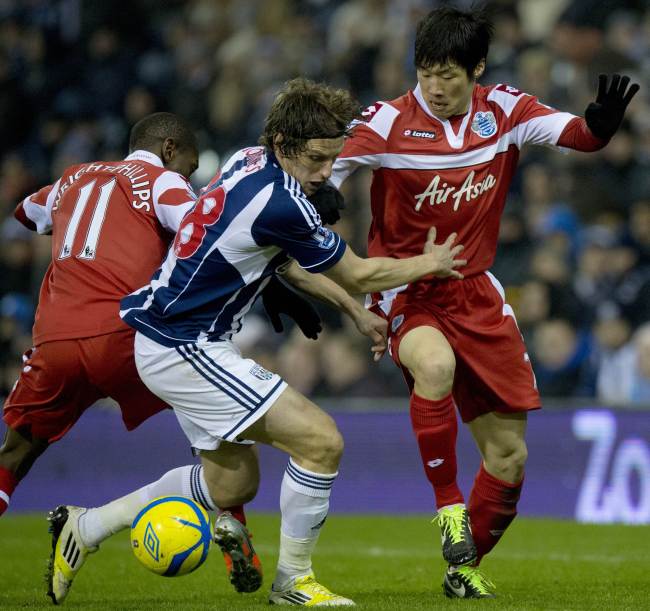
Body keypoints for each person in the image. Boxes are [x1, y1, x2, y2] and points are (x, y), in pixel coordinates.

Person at [115, 77, 466, 606]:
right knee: (321, 442)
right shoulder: (283, 201)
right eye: (319, 159)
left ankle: (85, 526)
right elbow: (361, 273)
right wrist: (431, 263)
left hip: (178, 337)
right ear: (283, 145)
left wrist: (351, 313)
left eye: (334, 158)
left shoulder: (247, 159)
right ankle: (293, 581)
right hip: (184, 344)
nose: (328, 172)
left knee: (232, 487)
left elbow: (281, 261)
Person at [329, 6, 639, 599]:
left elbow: (576, 134)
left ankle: (462, 564)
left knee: (510, 459)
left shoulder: (506, 111)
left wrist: (600, 127)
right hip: (408, 288)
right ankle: (448, 507)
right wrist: (320, 208)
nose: (436, 86)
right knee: (435, 366)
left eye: (449, 73)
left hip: (476, 292)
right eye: (425, 71)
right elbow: (318, 176)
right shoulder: (385, 121)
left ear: (478, 69)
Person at [0, 111, 322, 603]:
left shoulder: (72, 178)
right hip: (129, 333)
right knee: (216, 418)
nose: (188, 177)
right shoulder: (163, 183)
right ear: (171, 149)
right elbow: (202, 237)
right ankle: (234, 530)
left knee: (16, 454)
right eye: (190, 167)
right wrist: (271, 282)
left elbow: (25, 213)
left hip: (55, 338)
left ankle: (211, 525)